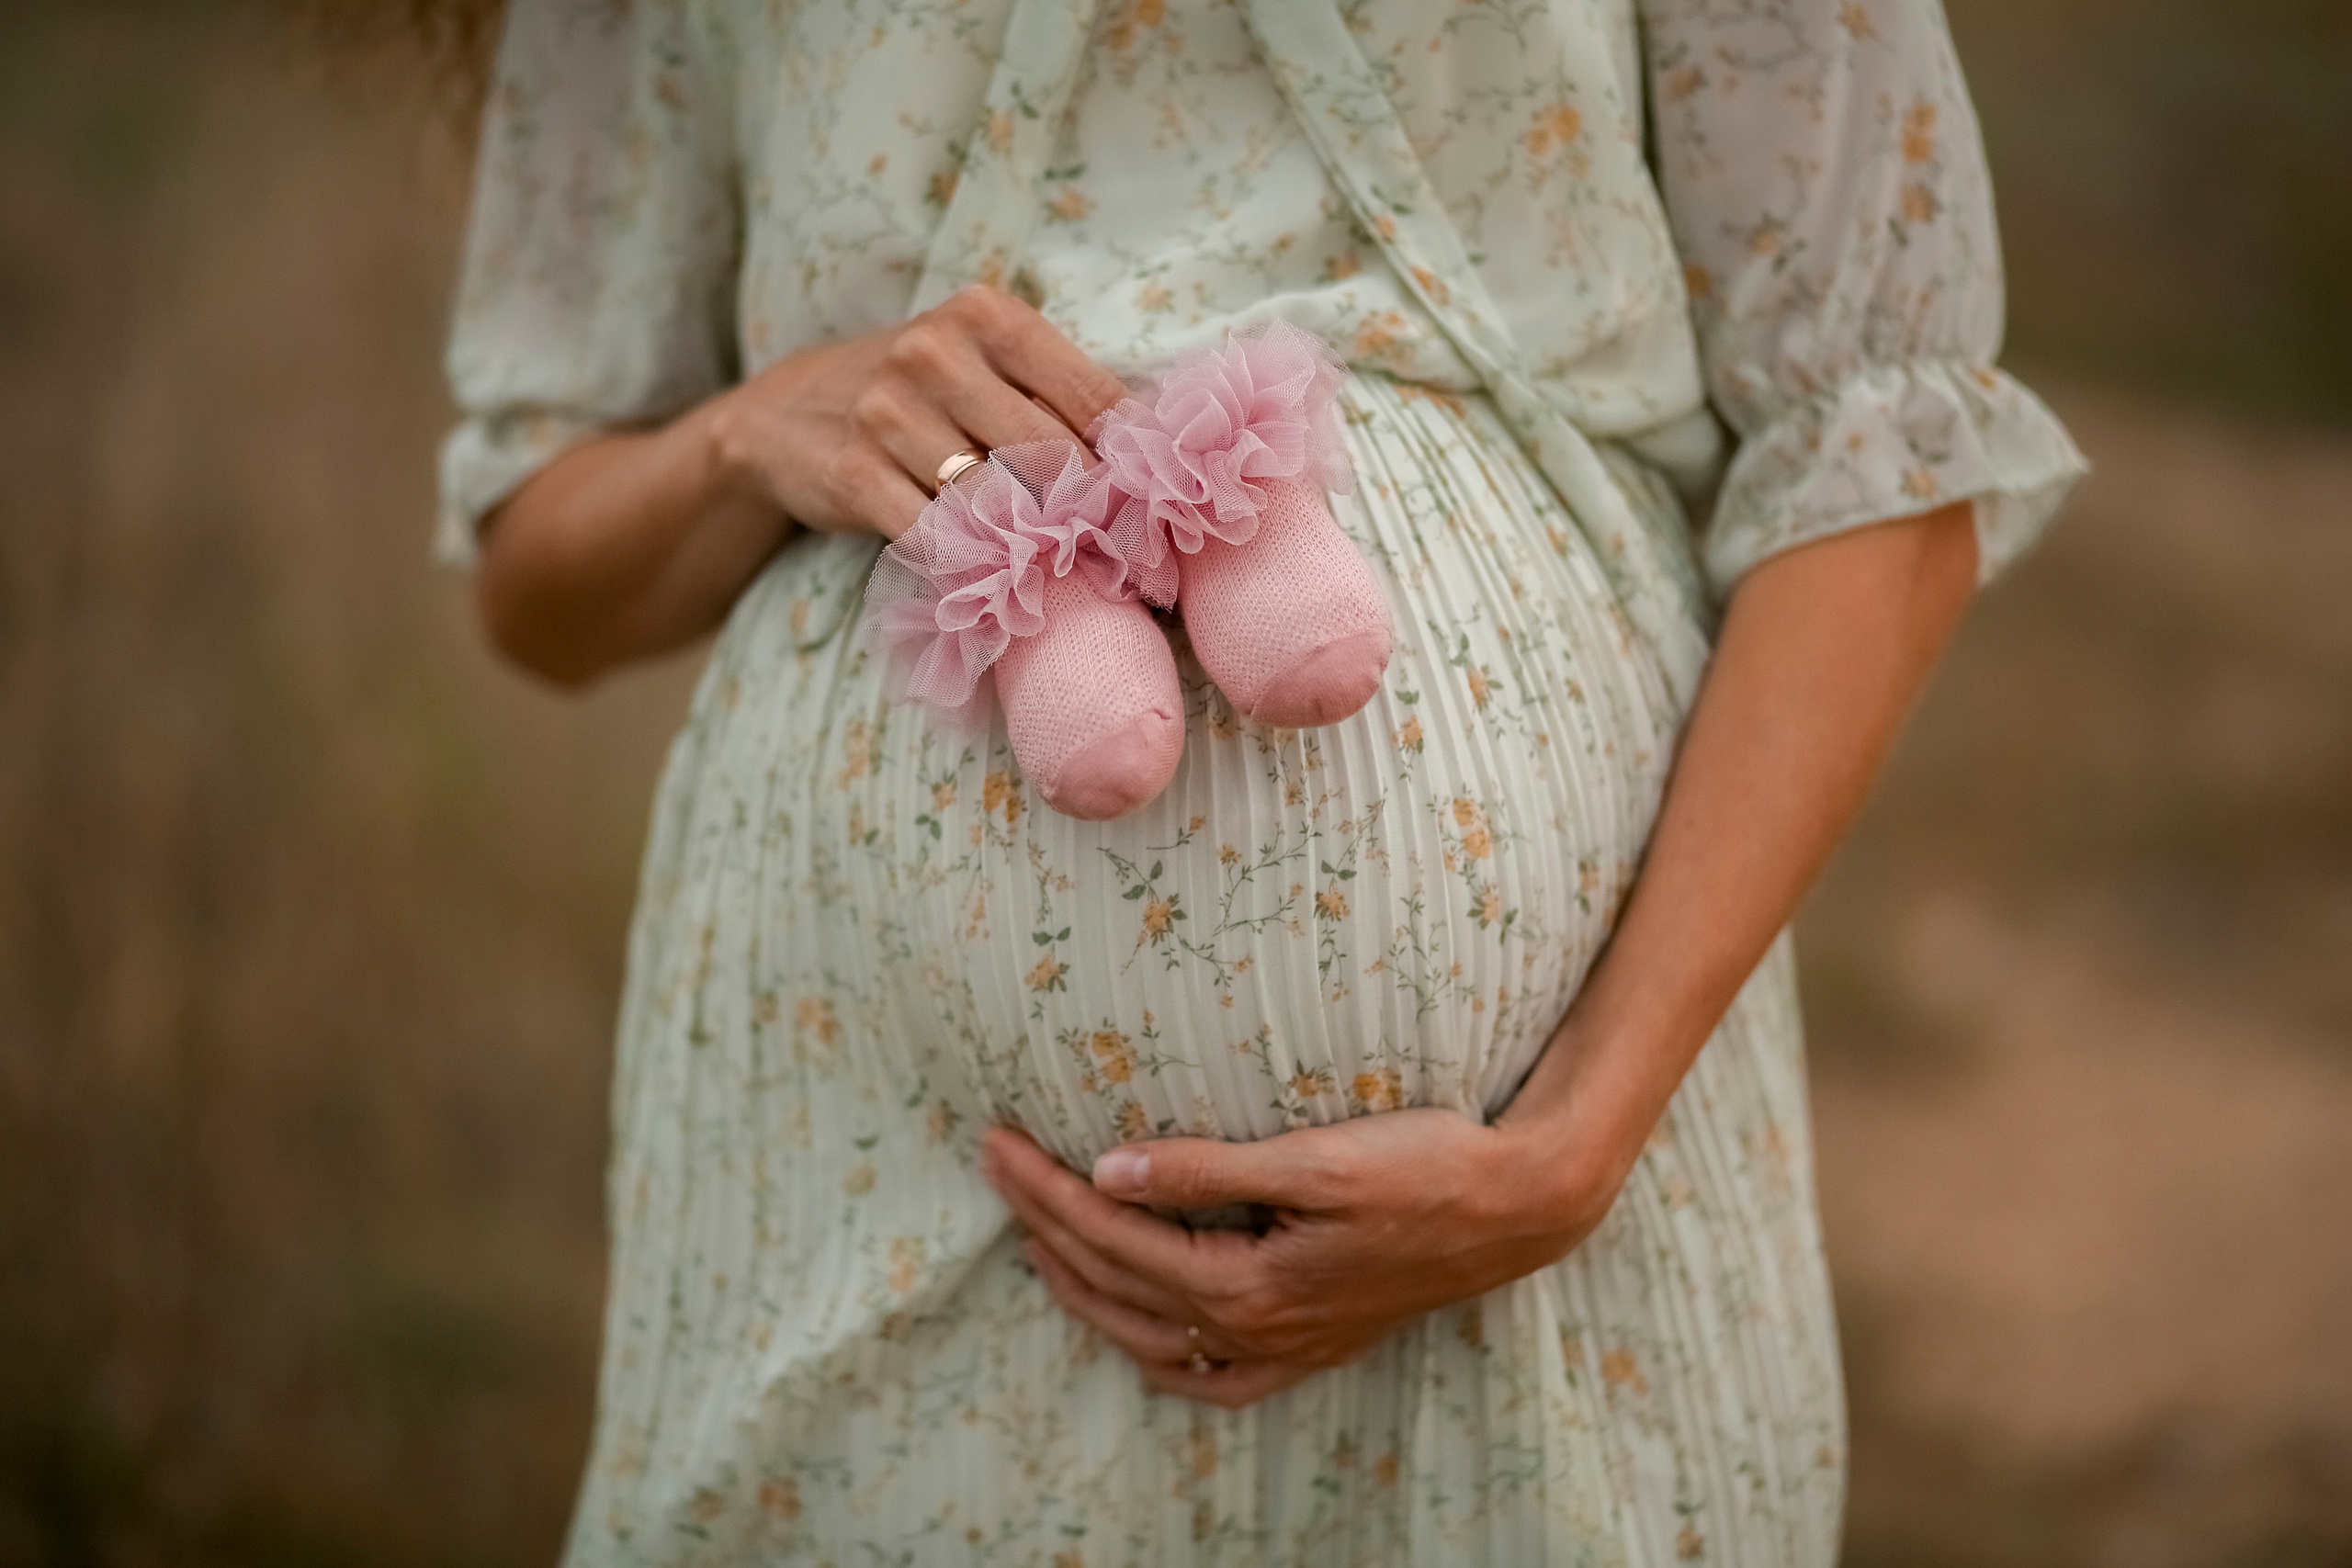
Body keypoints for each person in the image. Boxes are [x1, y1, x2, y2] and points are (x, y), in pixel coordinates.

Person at [439, 0, 2084, 1560]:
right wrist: (746, 430)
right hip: (877, 1187)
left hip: (1553, 1227)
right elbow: (539, 578)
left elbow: (1878, 442)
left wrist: (1577, 1141)